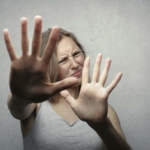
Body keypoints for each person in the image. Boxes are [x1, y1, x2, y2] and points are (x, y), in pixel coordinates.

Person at [3, 16, 132, 150]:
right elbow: (17, 109)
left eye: (76, 54)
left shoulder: (105, 110)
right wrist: (20, 97)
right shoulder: (36, 105)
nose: (75, 64)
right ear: (48, 67)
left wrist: (102, 126)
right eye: (63, 60)